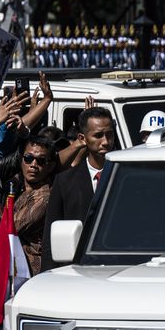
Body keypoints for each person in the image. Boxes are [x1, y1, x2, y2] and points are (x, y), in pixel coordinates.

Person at [42, 107, 115, 269]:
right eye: (98, 135)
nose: (105, 141)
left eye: (109, 134)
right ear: (83, 138)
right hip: (77, 272)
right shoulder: (65, 181)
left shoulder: (126, 177)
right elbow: (50, 237)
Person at [10, 136, 58, 274]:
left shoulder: (44, 198)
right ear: (21, 160)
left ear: (51, 166)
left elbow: (10, 226)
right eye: (28, 158)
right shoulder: (16, 188)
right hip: (15, 267)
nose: (33, 164)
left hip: (33, 271)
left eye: (41, 161)